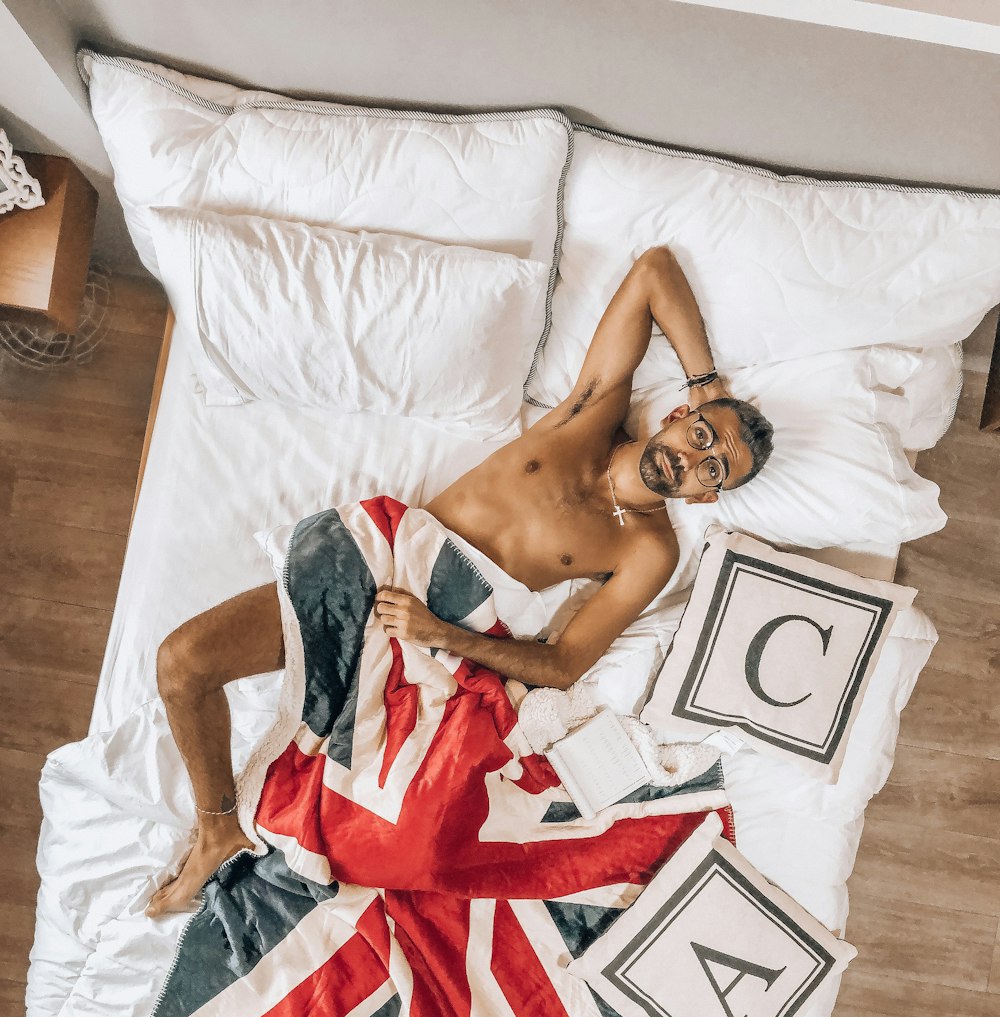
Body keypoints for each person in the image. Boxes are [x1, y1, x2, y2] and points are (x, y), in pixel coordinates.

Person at [145, 245, 774, 917]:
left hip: (443, 631)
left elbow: (563, 664)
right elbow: (654, 271)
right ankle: (217, 827)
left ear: (709, 499)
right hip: (384, 565)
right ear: (679, 417)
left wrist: (438, 633)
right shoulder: (590, 413)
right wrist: (708, 383)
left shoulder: (651, 548)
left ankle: (268, 829)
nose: (693, 460)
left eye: (714, 471)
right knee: (182, 664)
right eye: (703, 437)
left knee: (398, 846)